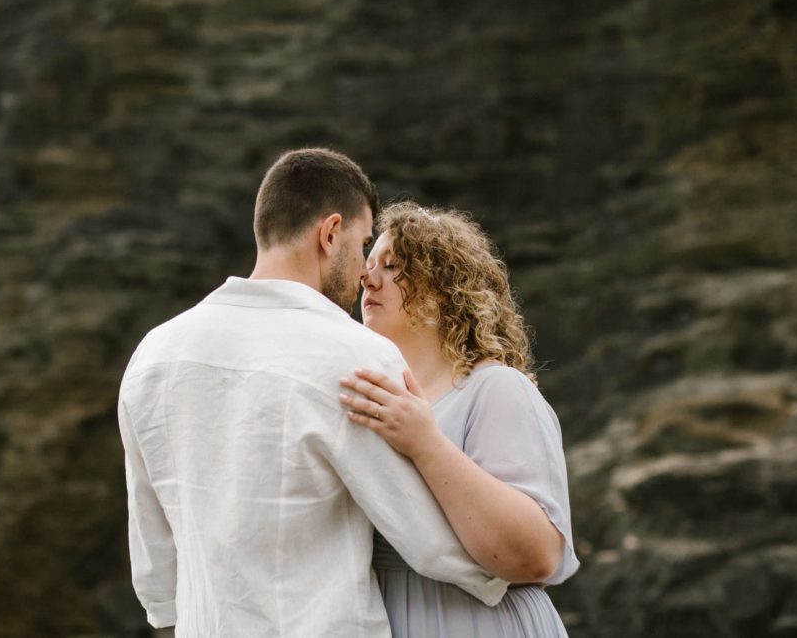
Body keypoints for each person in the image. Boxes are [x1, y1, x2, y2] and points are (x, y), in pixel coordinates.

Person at [117, 150, 506, 638]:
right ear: (329, 233)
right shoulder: (355, 355)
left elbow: (154, 564)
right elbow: (429, 542)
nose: (366, 271)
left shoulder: (154, 355)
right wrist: (507, 571)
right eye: (364, 243)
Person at [339, 200, 579, 637]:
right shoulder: (373, 395)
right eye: (367, 263)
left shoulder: (496, 388)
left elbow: (536, 555)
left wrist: (424, 443)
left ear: (442, 289)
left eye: (392, 266)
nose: (366, 277)